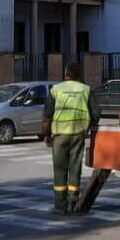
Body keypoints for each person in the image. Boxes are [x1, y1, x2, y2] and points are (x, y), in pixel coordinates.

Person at [42, 63, 100, 215]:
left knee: (60, 170)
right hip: (78, 135)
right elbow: (96, 113)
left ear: (65, 73)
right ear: (79, 75)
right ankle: (73, 202)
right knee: (75, 169)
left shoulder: (55, 90)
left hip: (60, 136)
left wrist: (47, 135)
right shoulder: (85, 90)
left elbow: (47, 116)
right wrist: (89, 127)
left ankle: (60, 206)